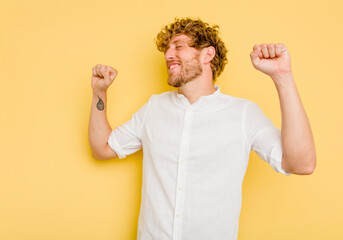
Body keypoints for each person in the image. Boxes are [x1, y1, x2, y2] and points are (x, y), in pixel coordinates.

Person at [88, 18, 316, 240]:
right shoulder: (153, 108)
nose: (168, 55)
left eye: (178, 46)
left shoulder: (243, 114)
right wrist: (100, 93)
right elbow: (102, 148)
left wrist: (282, 76)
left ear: (207, 54)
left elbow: (301, 163)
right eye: (167, 49)